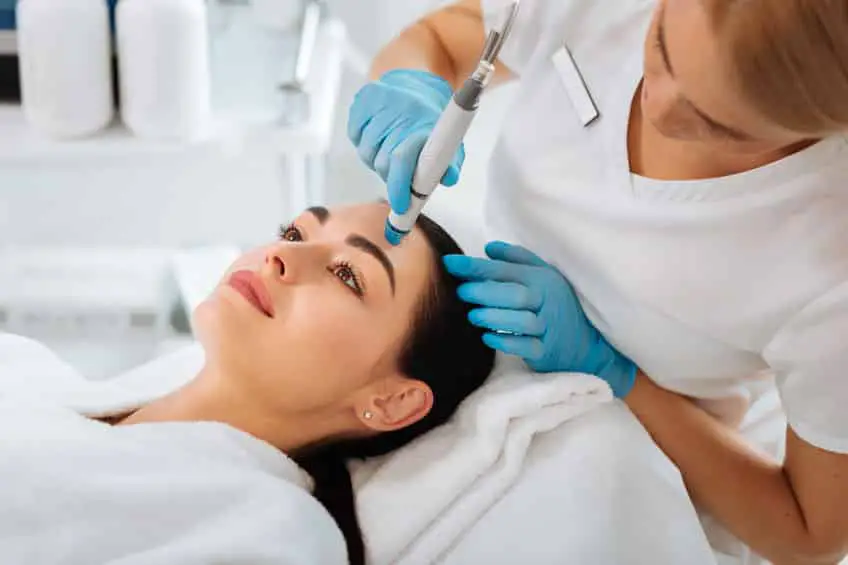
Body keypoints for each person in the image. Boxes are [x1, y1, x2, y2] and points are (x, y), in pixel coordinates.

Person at [347, 0, 848, 563]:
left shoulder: (832, 269)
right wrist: (410, 83)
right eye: (659, 47)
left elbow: (809, 536)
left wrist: (615, 374)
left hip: (647, 475)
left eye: (721, 126)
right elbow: (447, 39)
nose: (660, 107)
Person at [0, 202, 495, 565]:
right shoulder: (26, 370)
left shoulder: (273, 535)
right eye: (295, 233)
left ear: (391, 401)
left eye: (347, 274)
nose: (281, 256)